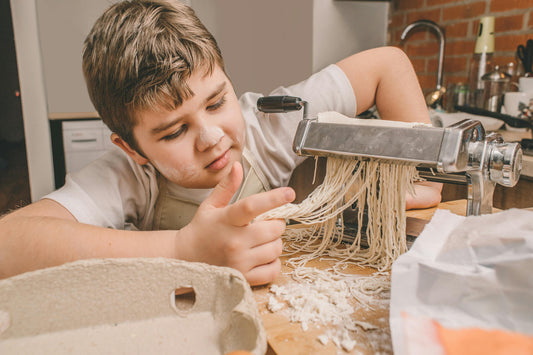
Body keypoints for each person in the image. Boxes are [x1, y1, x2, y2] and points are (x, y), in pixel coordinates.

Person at [0, 0, 441, 284]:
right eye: (174, 132)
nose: (212, 138)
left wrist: (422, 169)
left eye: (216, 102)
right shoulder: (129, 176)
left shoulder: (272, 122)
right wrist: (181, 250)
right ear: (132, 148)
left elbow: (389, 64)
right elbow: (9, 242)